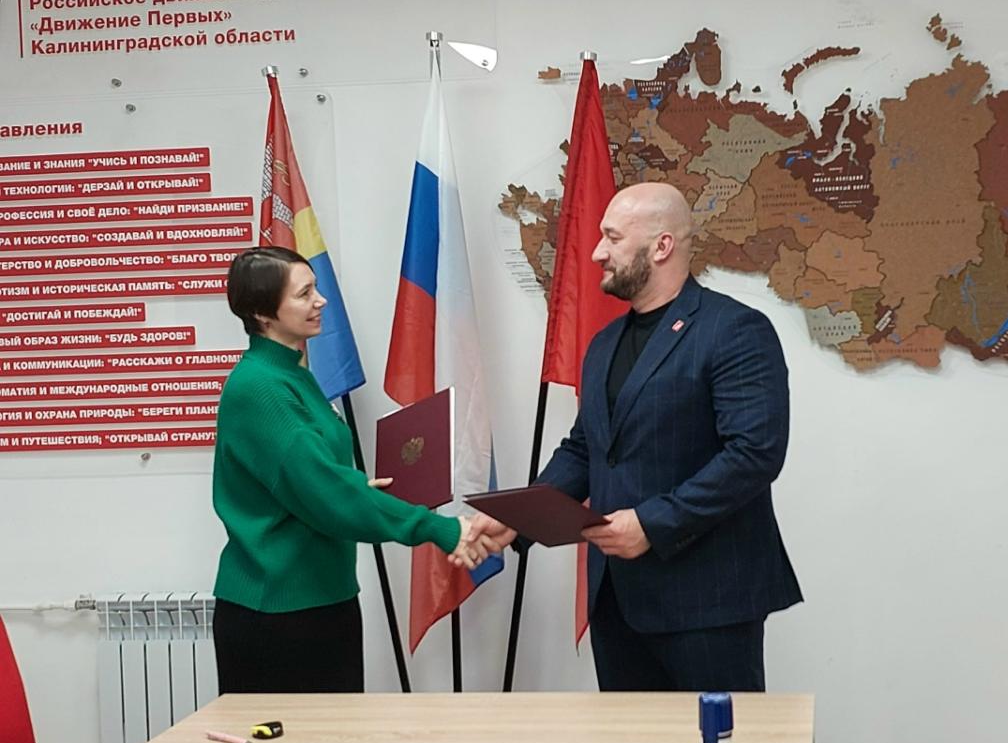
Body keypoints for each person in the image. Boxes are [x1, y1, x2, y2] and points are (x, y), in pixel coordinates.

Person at [468, 182, 802, 691]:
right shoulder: (604, 344)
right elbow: (587, 448)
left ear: (661, 246)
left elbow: (754, 454)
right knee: (631, 742)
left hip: (707, 603)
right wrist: (519, 518)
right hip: (616, 602)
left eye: (613, 238)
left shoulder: (735, 330)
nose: (597, 252)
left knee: (719, 741)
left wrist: (652, 522)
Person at [212, 246, 485, 694]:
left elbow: (316, 481)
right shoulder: (260, 388)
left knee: (336, 736)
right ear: (262, 314)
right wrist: (441, 529)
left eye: (316, 288)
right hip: (278, 613)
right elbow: (325, 494)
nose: (320, 300)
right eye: (304, 294)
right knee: (293, 742)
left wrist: (354, 488)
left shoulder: (293, 375)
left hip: (323, 598)